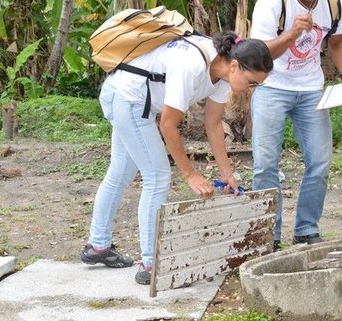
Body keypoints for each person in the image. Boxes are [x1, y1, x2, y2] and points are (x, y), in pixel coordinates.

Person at [80, 31, 273, 285]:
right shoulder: (192, 67)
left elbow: (213, 125)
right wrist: (190, 174)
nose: (251, 90)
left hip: (132, 98)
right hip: (128, 99)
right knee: (158, 177)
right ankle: (151, 264)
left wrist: (227, 174)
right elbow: (169, 125)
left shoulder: (224, 72)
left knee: (121, 172)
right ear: (236, 66)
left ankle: (98, 246)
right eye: (251, 83)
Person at [249, 0, 342, 250]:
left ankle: (307, 229)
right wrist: (291, 34)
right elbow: (259, 53)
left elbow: (337, 42)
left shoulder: (334, 2)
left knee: (320, 162)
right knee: (265, 164)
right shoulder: (274, 1)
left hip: (311, 90)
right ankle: (268, 234)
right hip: (272, 87)